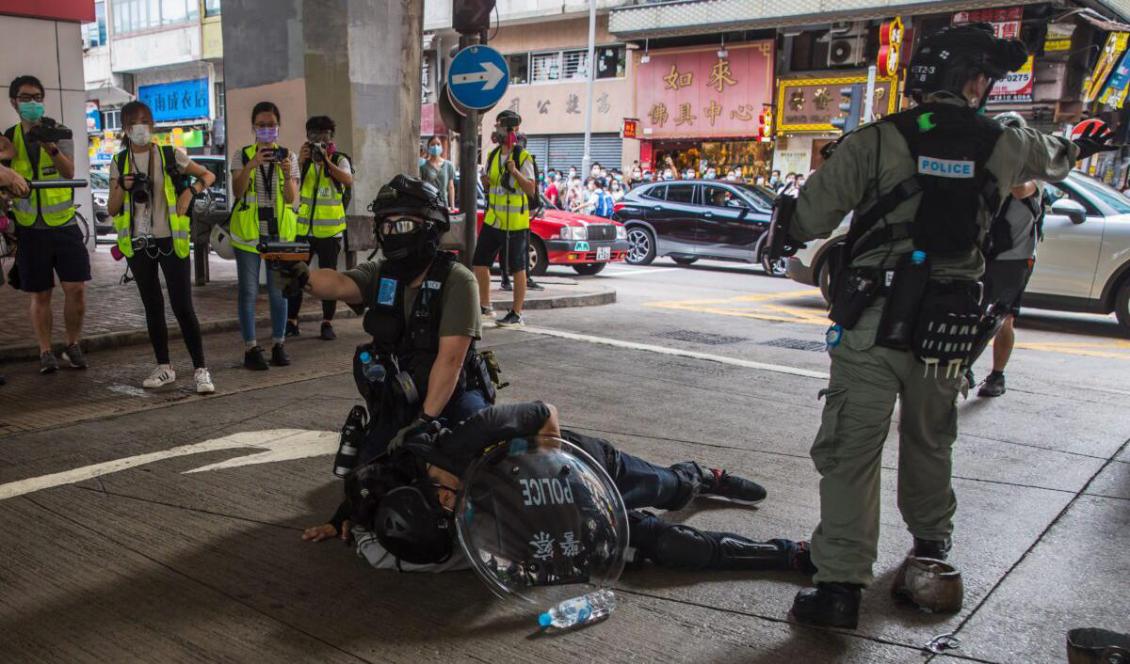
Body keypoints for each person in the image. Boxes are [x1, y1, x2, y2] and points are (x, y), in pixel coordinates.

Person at [783, 23, 1103, 628]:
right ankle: (930, 553)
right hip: (948, 330)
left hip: (874, 322)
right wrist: (1081, 142)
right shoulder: (1006, 143)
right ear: (976, 82)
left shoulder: (877, 141)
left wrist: (789, 222)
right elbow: (1060, 155)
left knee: (852, 451)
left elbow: (809, 217)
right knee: (931, 439)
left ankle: (840, 591)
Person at [303, 400, 816, 579]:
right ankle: (787, 555)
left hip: (584, 465)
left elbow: (543, 413)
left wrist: (553, 475)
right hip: (548, 516)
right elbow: (361, 494)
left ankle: (702, 477)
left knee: (669, 489)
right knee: (670, 545)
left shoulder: (464, 440)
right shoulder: (392, 492)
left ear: (442, 494)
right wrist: (337, 520)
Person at [277, 174, 490, 465]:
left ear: (430, 227)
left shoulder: (458, 281)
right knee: (371, 476)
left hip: (452, 396)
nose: (392, 233)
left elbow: (450, 362)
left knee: (472, 462)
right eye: (385, 226)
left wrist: (425, 421)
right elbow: (339, 284)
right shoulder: (382, 273)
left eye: (402, 224)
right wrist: (303, 277)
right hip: (404, 396)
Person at [107, 100, 216, 393]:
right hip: (140, 243)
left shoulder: (169, 154)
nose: (139, 128)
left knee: (183, 306)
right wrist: (122, 186)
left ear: (152, 124)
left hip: (171, 241)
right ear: (126, 128)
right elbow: (113, 207)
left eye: (144, 121)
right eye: (132, 123)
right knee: (152, 306)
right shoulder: (119, 161)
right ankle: (164, 367)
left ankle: (201, 369)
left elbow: (208, 175)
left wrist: (190, 193)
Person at [2, 75, 88, 374]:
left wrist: (50, 145)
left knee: (75, 288)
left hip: (63, 224)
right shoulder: (7, 138)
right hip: (29, 227)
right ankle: (45, 351)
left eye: (37, 97)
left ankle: (73, 344)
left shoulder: (60, 131)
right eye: (25, 98)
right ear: (14, 102)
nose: (32, 103)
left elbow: (69, 172)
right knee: (40, 294)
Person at [975, 112, 1046, 398]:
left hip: (1015, 258)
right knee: (969, 312)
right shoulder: (986, 167)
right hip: (982, 252)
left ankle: (997, 375)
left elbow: (1019, 190)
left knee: (1002, 318)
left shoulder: (1033, 175)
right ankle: (962, 365)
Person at [230, 101, 299, 370]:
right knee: (247, 292)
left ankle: (279, 345)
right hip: (248, 234)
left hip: (278, 234)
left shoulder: (289, 157)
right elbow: (237, 191)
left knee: (278, 292)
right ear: (253, 128)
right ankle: (251, 348)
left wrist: (286, 176)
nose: (267, 129)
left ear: (278, 127)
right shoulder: (242, 155)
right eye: (261, 125)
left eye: (271, 125)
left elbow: (292, 199)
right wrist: (252, 165)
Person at [286, 115, 353, 341]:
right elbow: (290, 189)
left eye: (323, 135)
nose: (318, 140)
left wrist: (326, 161)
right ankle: (292, 320)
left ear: (331, 137)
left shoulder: (340, 159)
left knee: (330, 278)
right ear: (307, 137)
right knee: (295, 275)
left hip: (329, 232)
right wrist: (302, 163)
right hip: (303, 231)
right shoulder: (300, 160)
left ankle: (327, 322)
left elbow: (347, 181)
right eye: (313, 135)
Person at [473, 110, 537, 328]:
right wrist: (486, 181)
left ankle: (516, 313)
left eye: (500, 126)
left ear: (511, 129)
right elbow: (492, 184)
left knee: (518, 268)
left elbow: (530, 190)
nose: (497, 130)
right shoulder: (492, 156)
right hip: (494, 220)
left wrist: (515, 172)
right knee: (480, 263)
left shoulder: (522, 157)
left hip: (516, 223)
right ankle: (485, 305)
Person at [418, 135, 455, 210]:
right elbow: (420, 185)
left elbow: (450, 187)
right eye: (433, 144)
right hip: (428, 204)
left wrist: (452, 207)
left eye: (438, 144)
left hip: (443, 204)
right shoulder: (423, 165)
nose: (435, 147)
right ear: (428, 147)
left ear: (441, 147)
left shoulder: (448, 165)